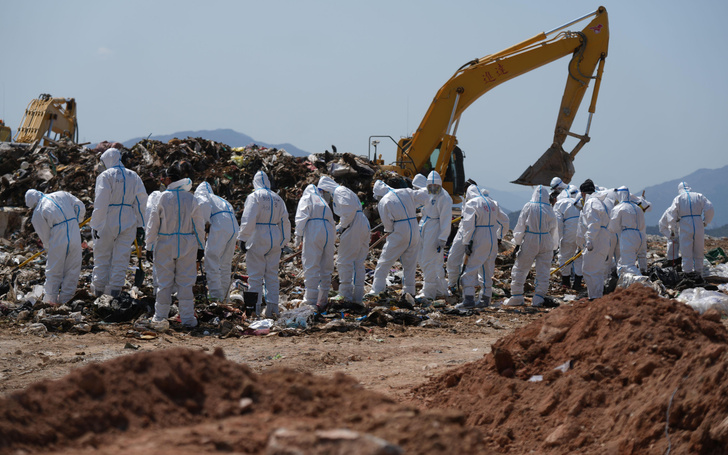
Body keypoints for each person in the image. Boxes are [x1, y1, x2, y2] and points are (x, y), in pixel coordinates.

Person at [145, 165, 205, 328]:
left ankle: (160, 318)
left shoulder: (162, 198)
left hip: (165, 243)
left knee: (164, 283)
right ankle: (187, 319)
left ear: (169, 179)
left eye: (163, 179)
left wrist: (149, 246)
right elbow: (198, 224)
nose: (162, 181)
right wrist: (201, 246)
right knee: (186, 283)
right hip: (187, 244)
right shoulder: (191, 198)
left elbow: (153, 224)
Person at [90, 147, 148, 297]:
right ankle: (115, 290)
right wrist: (141, 224)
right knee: (121, 256)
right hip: (128, 219)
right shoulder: (133, 176)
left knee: (102, 255)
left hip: (108, 218)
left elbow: (101, 203)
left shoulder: (105, 176)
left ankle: (99, 290)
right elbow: (142, 202)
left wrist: (96, 225)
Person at [237, 170, 291, 317]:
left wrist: (243, 237)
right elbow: (285, 221)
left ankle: (255, 309)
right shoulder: (278, 198)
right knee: (272, 275)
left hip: (258, 236)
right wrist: (284, 241)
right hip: (274, 235)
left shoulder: (254, 196)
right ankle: (273, 309)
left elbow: (248, 218)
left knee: (255, 276)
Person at [25, 189, 86, 305]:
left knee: (54, 270)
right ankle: (66, 299)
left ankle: (50, 300)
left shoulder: (37, 212)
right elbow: (79, 205)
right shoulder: (62, 194)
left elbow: (44, 235)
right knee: (73, 268)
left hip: (58, 236)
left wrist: (49, 247)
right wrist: (77, 220)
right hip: (74, 231)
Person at [318, 175, 371, 305]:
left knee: (345, 261)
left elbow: (348, 211)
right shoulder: (345, 191)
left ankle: (345, 295)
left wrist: (341, 227)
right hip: (361, 223)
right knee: (358, 262)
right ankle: (357, 298)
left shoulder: (339, 192)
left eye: (323, 192)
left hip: (354, 225)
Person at [369, 180, 427, 296]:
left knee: (384, 263)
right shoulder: (406, 191)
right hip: (414, 228)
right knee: (410, 265)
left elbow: (388, 225)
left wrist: (389, 231)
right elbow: (422, 196)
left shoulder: (384, 201)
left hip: (399, 231)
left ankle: (376, 290)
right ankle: (409, 293)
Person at [455, 185, 509, 308]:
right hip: (492, 238)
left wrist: (466, 242)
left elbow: (468, 226)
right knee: (487, 270)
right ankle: (485, 299)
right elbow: (505, 221)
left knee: (470, 270)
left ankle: (468, 300)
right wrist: (499, 236)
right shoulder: (492, 202)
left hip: (479, 238)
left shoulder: (472, 204)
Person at [505, 185, 558, 307]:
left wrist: (517, 242)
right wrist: (554, 247)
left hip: (530, 238)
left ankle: (517, 296)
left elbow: (521, 225)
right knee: (543, 271)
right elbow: (554, 229)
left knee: (520, 268)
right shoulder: (549, 208)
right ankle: (538, 298)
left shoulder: (529, 206)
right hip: (546, 239)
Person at [194, 182, 239, 301]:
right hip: (233, 227)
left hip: (220, 226)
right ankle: (225, 297)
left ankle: (216, 297)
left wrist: (205, 222)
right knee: (225, 264)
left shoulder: (203, 196)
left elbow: (203, 204)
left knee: (211, 260)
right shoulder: (220, 200)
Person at [294, 184, 336, 311]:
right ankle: (322, 301)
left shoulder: (307, 198)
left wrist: (298, 235)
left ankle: (310, 301)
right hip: (328, 231)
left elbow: (301, 217)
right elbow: (332, 222)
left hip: (314, 228)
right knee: (326, 267)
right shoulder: (323, 202)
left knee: (311, 264)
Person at [416, 171, 453, 300]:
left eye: (435, 186)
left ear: (440, 185)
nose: (432, 189)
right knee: (429, 259)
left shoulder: (445, 197)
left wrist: (442, 238)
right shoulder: (428, 193)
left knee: (429, 260)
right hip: (425, 225)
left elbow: (446, 219)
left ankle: (429, 292)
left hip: (435, 228)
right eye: (430, 186)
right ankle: (441, 289)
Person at [664, 182, 714, 276]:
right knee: (698, 249)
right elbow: (710, 207)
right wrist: (706, 221)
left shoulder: (678, 198)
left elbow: (671, 213)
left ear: (679, 190)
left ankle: (688, 273)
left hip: (685, 223)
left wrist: (672, 228)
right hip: (698, 222)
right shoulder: (699, 196)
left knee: (686, 250)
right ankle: (699, 273)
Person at [576, 179, 611, 300]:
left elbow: (593, 223)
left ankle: (594, 297)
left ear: (583, 193)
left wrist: (589, 240)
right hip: (603, 237)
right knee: (598, 270)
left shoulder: (591, 203)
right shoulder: (600, 202)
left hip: (596, 238)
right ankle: (597, 295)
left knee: (589, 269)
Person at [608, 186, 647, 276]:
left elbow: (613, 228)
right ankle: (624, 284)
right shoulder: (637, 208)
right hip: (639, 236)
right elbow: (642, 225)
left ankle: (644, 284)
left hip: (628, 237)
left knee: (628, 266)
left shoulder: (619, 208)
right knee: (622, 264)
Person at [553, 185, 583, 289]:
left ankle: (565, 282)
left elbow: (558, 224)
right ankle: (578, 283)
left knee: (565, 256)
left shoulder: (560, 204)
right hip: (581, 232)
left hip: (568, 233)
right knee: (579, 257)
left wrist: (558, 241)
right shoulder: (577, 202)